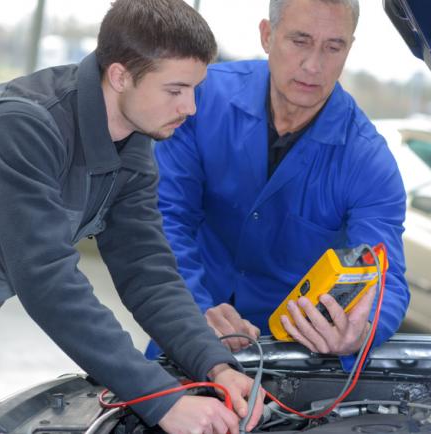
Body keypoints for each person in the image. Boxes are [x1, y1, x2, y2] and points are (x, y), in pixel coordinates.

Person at [0, 1, 264, 433]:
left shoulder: (130, 148)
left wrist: (215, 364)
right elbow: (48, 282)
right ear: (120, 76)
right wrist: (161, 400)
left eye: (195, 89)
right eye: (175, 90)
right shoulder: (20, 127)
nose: (191, 108)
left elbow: (148, 271)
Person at [149, 0, 410, 369]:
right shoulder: (201, 102)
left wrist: (362, 330)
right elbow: (166, 219)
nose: (313, 65)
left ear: (349, 48)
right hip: (185, 327)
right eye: (300, 41)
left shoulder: (369, 161)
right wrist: (195, 308)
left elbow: (384, 277)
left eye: (333, 47)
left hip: (296, 359)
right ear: (267, 36)